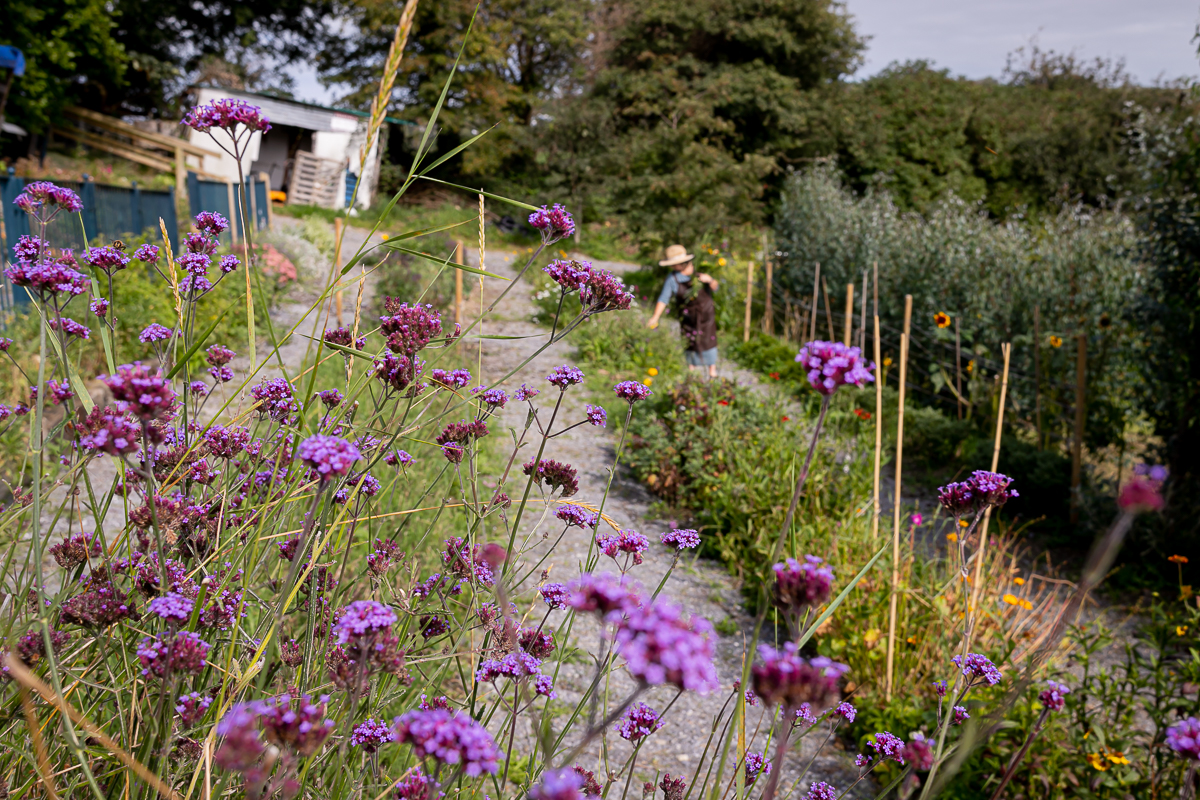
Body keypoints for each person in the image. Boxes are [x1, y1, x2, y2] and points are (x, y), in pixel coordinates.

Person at [647, 244, 720, 378]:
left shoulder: (700, 271)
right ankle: (691, 373)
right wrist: (655, 317)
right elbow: (664, 298)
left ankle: (712, 373)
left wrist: (710, 280)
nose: (672, 267)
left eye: (674, 264)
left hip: (706, 316)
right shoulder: (672, 279)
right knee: (689, 341)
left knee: (709, 340)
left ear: (683, 263)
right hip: (688, 317)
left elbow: (716, 287)